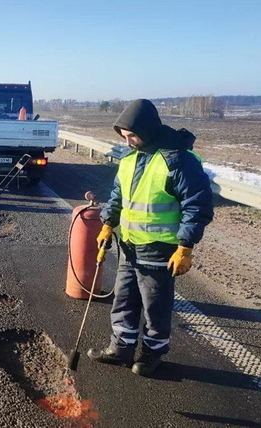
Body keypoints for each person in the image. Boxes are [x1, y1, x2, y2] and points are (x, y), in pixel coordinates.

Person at [87, 99, 214, 376]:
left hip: (160, 248)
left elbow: (197, 207)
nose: (128, 141)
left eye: (132, 135)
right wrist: (108, 224)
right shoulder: (129, 159)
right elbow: (118, 196)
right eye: (124, 136)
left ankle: (152, 354)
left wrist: (185, 247)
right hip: (129, 246)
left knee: (155, 306)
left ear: (147, 130)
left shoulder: (178, 160)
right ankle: (121, 348)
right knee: (124, 300)